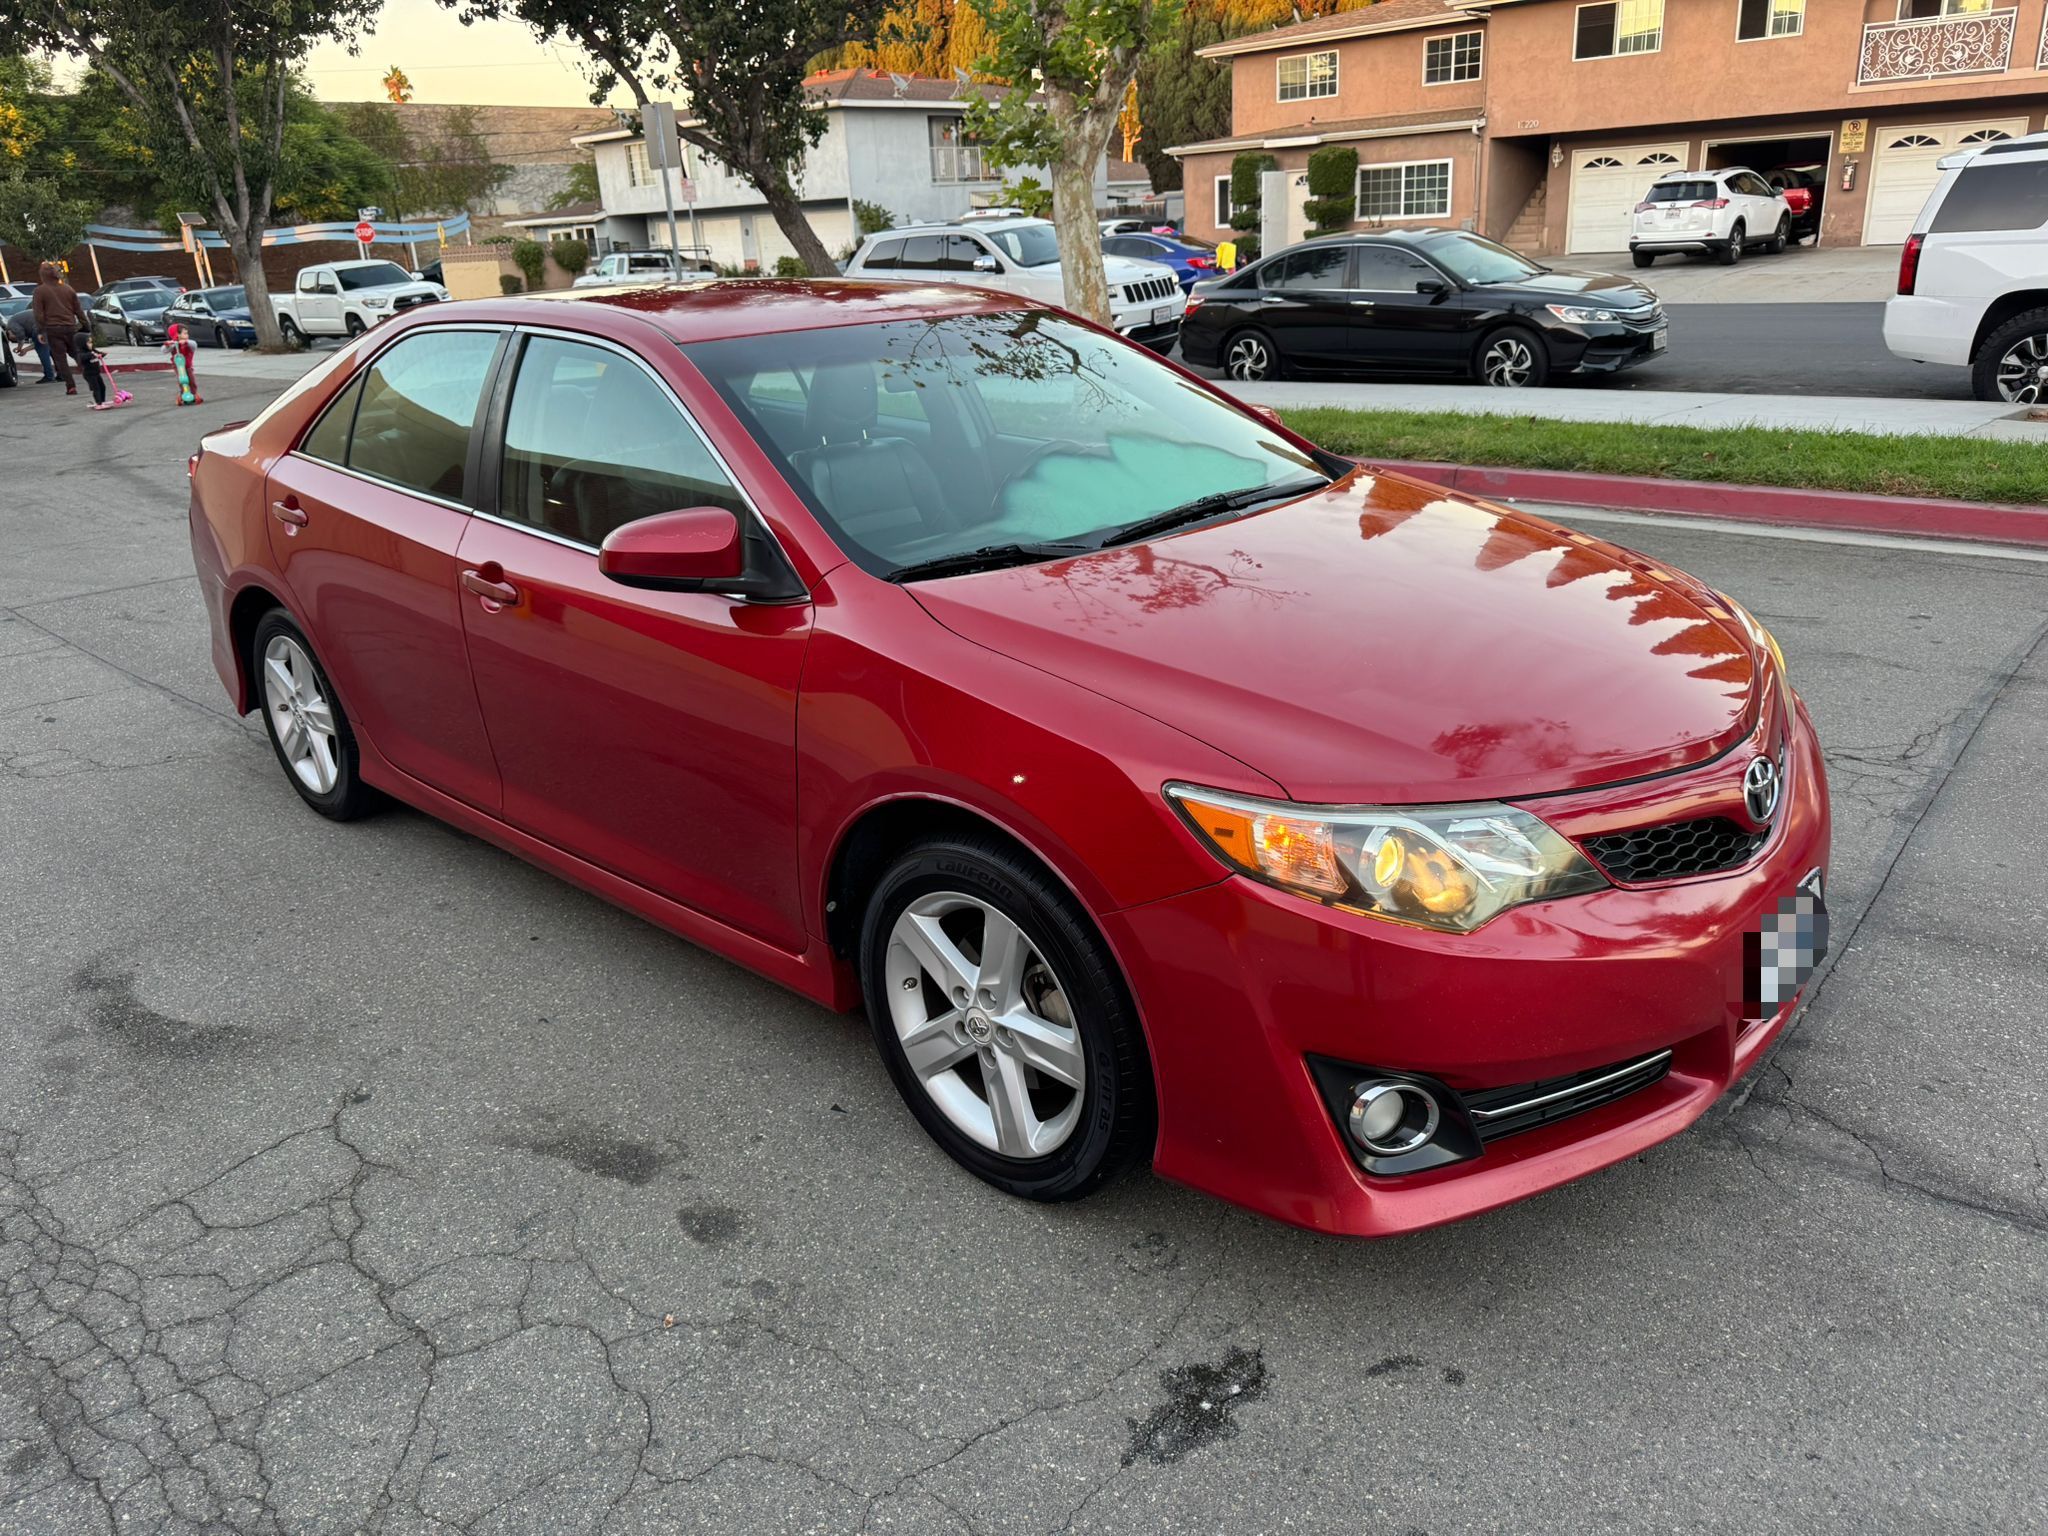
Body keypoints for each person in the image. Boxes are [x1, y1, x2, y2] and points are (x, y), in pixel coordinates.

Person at [31, 262, 90, 397]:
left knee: (60, 359)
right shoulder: (68, 289)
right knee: (76, 354)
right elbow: (78, 310)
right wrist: (85, 325)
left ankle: (71, 386)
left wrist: (41, 331)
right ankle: (91, 379)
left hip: (53, 329)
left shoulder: (40, 291)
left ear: (42, 276)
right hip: (70, 327)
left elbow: (38, 313)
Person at [4, 303, 55, 382]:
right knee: (52, 351)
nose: (15, 338)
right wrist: (25, 349)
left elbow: (21, 336)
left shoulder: (11, 325)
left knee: (43, 353)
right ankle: (61, 375)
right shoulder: (19, 322)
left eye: (12, 338)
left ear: (8, 332)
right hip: (50, 324)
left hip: (40, 326)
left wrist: (19, 347)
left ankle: (49, 376)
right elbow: (38, 343)